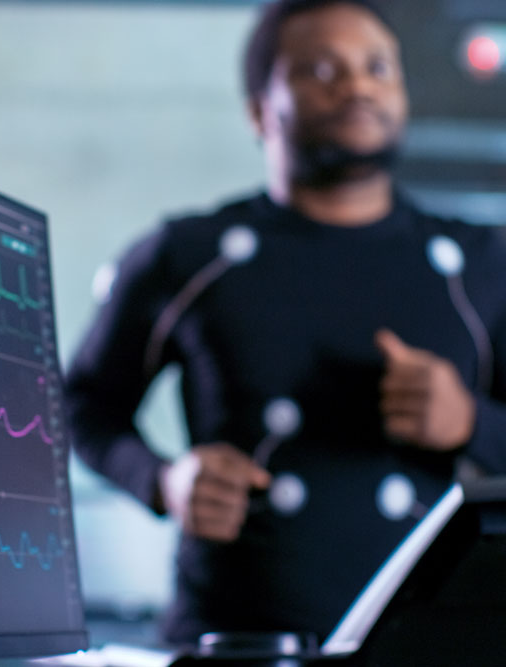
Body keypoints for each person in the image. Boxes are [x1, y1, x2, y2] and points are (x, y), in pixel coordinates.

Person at [64, 0, 506, 646]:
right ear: (257, 109)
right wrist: (164, 478)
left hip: (430, 646)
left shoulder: (481, 263)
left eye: (377, 67)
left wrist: (472, 422)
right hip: (230, 642)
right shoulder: (186, 254)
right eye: (322, 69)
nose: (357, 85)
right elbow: (78, 404)